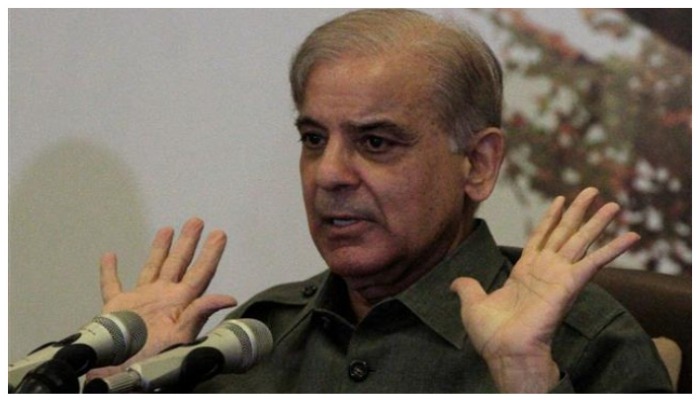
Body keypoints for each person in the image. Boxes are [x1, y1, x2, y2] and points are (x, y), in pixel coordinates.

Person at [88, 9, 672, 393]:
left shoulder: (584, 342)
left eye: (375, 142)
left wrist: (523, 377)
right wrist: (134, 379)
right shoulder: (254, 338)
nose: (329, 174)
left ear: (478, 163)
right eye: (313, 139)